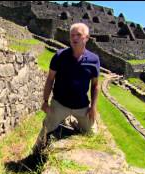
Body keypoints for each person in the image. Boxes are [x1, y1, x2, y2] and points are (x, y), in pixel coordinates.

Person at [33, 23, 100, 154]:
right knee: (45, 130)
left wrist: (93, 107)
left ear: (86, 37)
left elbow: (96, 85)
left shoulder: (94, 60)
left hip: (82, 106)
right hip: (59, 104)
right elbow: (50, 79)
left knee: (93, 135)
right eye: (72, 35)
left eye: (79, 35)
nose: (74, 38)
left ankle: (73, 126)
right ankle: (34, 154)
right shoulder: (59, 56)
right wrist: (45, 102)